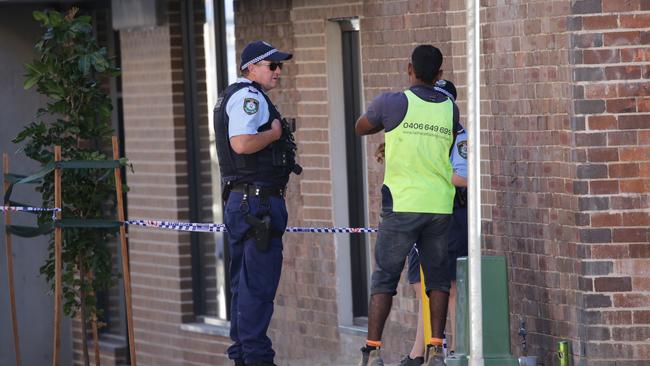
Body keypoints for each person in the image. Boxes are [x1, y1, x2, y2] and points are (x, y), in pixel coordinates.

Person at [355, 45, 463, 366]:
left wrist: (386, 125)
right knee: (438, 279)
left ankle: (373, 351)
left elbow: (362, 126)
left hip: (402, 205)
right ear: (440, 75)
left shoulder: (391, 102)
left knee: (385, 278)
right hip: (439, 206)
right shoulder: (450, 108)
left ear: (409, 69)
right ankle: (435, 350)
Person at [213, 40, 301, 366]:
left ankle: (243, 356)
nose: (278, 72)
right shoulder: (250, 97)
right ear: (251, 67)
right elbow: (242, 143)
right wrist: (275, 134)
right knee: (257, 289)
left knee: (242, 286)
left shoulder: (233, 95)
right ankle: (256, 358)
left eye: (280, 66)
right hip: (258, 205)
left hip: (245, 202)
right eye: (272, 66)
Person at [399, 80, 468, 366]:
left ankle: (454, 353)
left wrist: (428, 167)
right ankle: (421, 352)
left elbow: (464, 179)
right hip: (418, 213)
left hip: (448, 214)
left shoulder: (459, 136)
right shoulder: (419, 129)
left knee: (448, 287)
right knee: (420, 283)